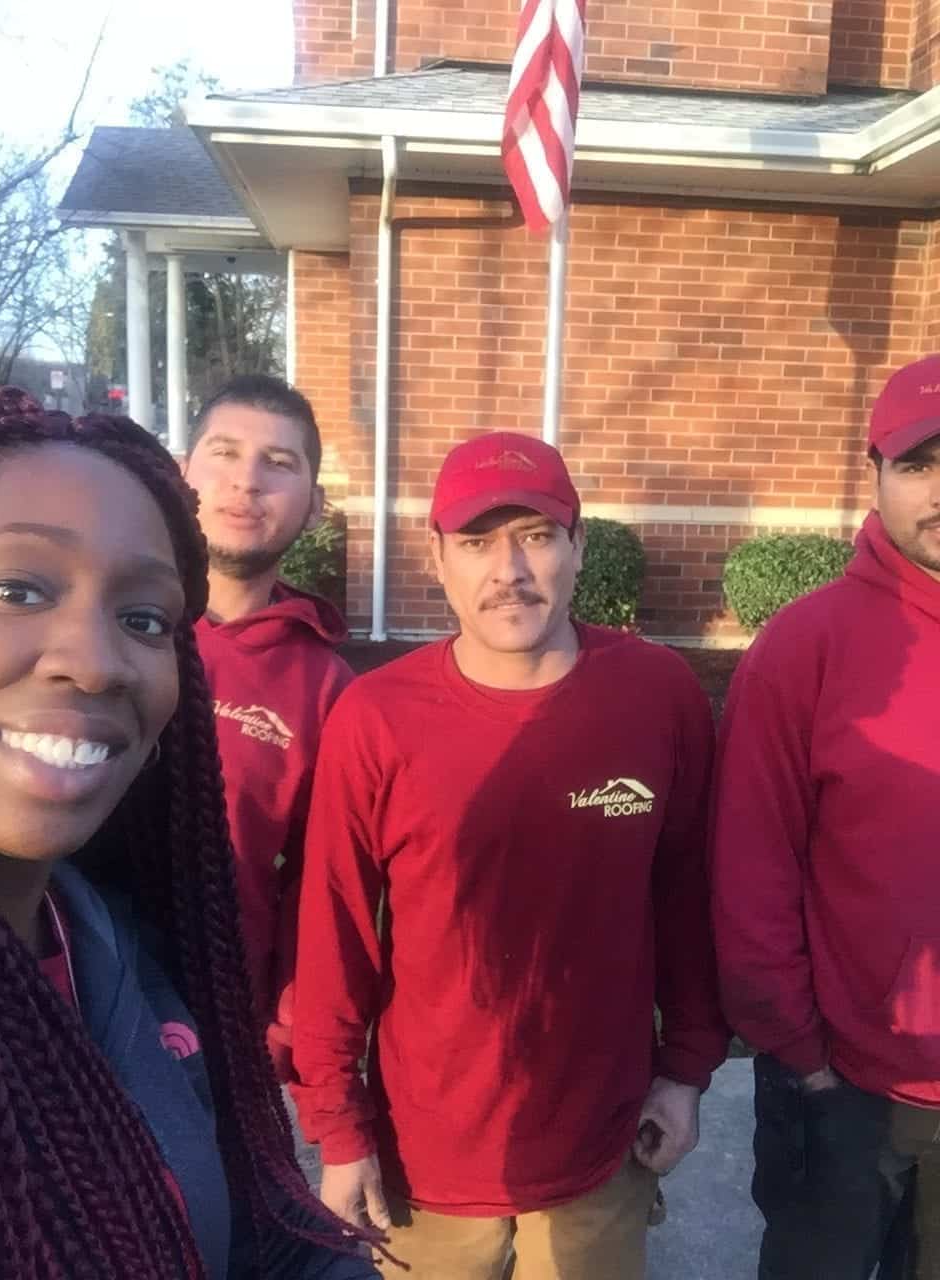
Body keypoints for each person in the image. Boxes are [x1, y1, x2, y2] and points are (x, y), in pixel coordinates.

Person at [291, 431, 728, 1278]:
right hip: (429, 1154)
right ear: (439, 558)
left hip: (603, 1140)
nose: (509, 571)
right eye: (477, 542)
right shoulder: (378, 718)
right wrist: (341, 1132)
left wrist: (687, 1071)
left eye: (535, 535)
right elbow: (335, 933)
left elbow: (685, 897)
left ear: (580, 545)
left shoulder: (657, 694)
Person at [0, 385, 378, 1278]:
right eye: (14, 589)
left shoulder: (106, 949)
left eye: (145, 621)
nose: (90, 660)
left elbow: (252, 1222)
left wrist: (284, 1062)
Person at [711, 354, 940, 1279]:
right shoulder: (807, 646)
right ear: (875, 471)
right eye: (920, 463)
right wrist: (803, 1057)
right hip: (847, 1089)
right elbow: (749, 874)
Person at [183, 375, 352, 1078]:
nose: (246, 481)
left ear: (313, 506)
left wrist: (286, 1035)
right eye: (224, 452)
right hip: (42, 996)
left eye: (279, 463)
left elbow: (317, 890)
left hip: (215, 1038)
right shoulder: (96, 619)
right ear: (181, 471)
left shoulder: (325, 687)